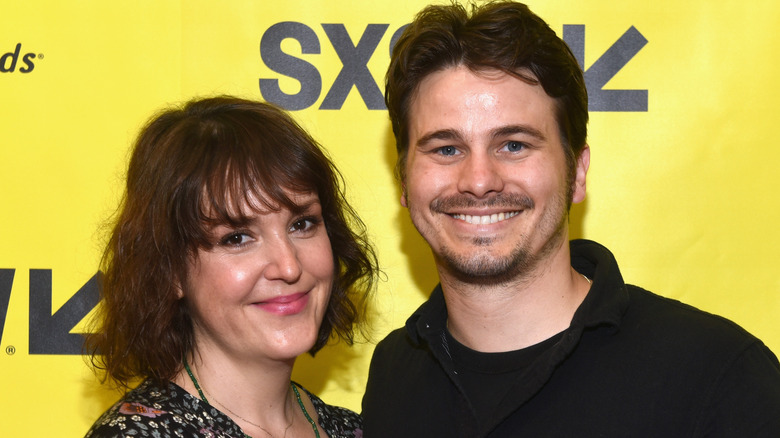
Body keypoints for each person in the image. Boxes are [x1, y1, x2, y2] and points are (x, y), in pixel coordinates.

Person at [361, 1, 780, 436]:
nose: (480, 180)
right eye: (446, 149)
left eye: (514, 145)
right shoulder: (394, 375)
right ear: (404, 183)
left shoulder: (718, 376)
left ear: (577, 173)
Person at [85, 96, 377, 438]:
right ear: (170, 270)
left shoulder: (353, 430)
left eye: (302, 224)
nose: (288, 266)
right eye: (237, 238)